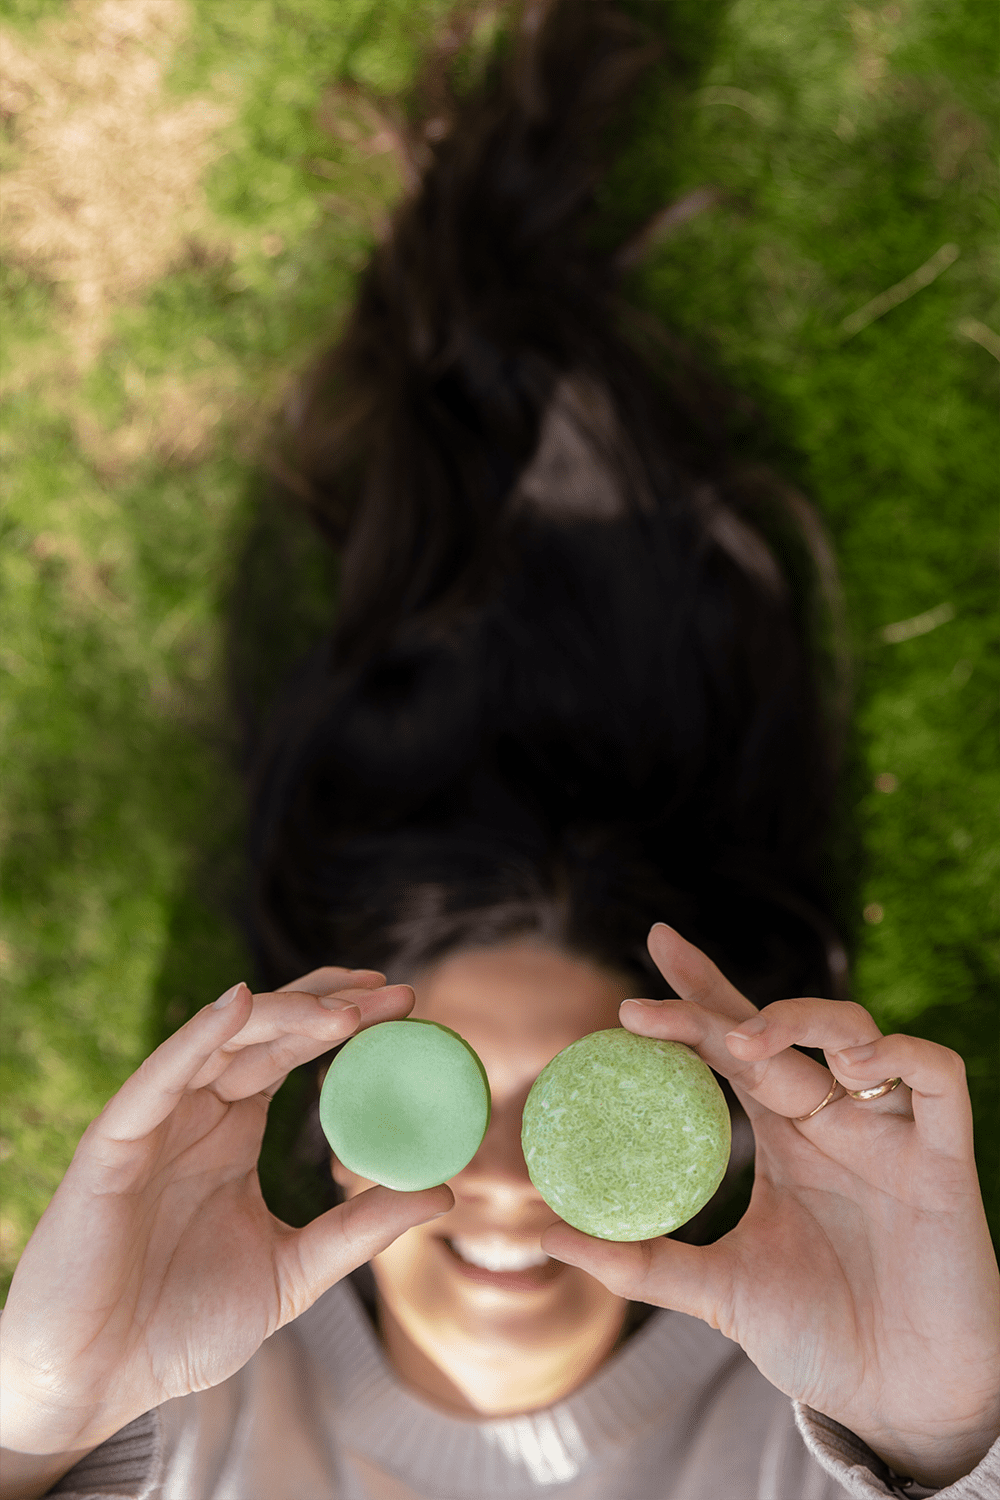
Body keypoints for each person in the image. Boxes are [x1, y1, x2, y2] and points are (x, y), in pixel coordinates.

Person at [1, 4, 997, 1497]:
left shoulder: (825, 1420)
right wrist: (38, 1423)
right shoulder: (168, 1409)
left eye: (569, 1107)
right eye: (449, 1096)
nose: (509, 1185)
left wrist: (934, 1443)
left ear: (693, 1147)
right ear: (345, 1144)